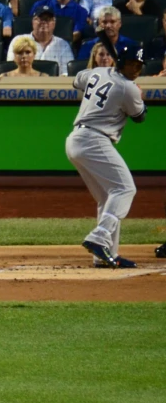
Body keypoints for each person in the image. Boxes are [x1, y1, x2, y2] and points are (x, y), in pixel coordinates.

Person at [66, 41, 145, 268]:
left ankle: (106, 255)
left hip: (76, 140)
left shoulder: (98, 72)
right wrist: (140, 95)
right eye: (132, 64)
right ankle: (99, 237)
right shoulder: (128, 88)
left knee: (107, 197)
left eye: (139, 65)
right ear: (121, 63)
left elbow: (76, 80)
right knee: (125, 188)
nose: (136, 70)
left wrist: (101, 74)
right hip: (94, 140)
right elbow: (140, 116)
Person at [6, 5, 73, 76]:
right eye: (39, 19)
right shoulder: (18, 40)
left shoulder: (63, 45)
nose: (43, 22)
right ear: (33, 22)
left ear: (54, 23)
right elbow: (11, 68)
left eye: (48, 19)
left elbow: (66, 74)